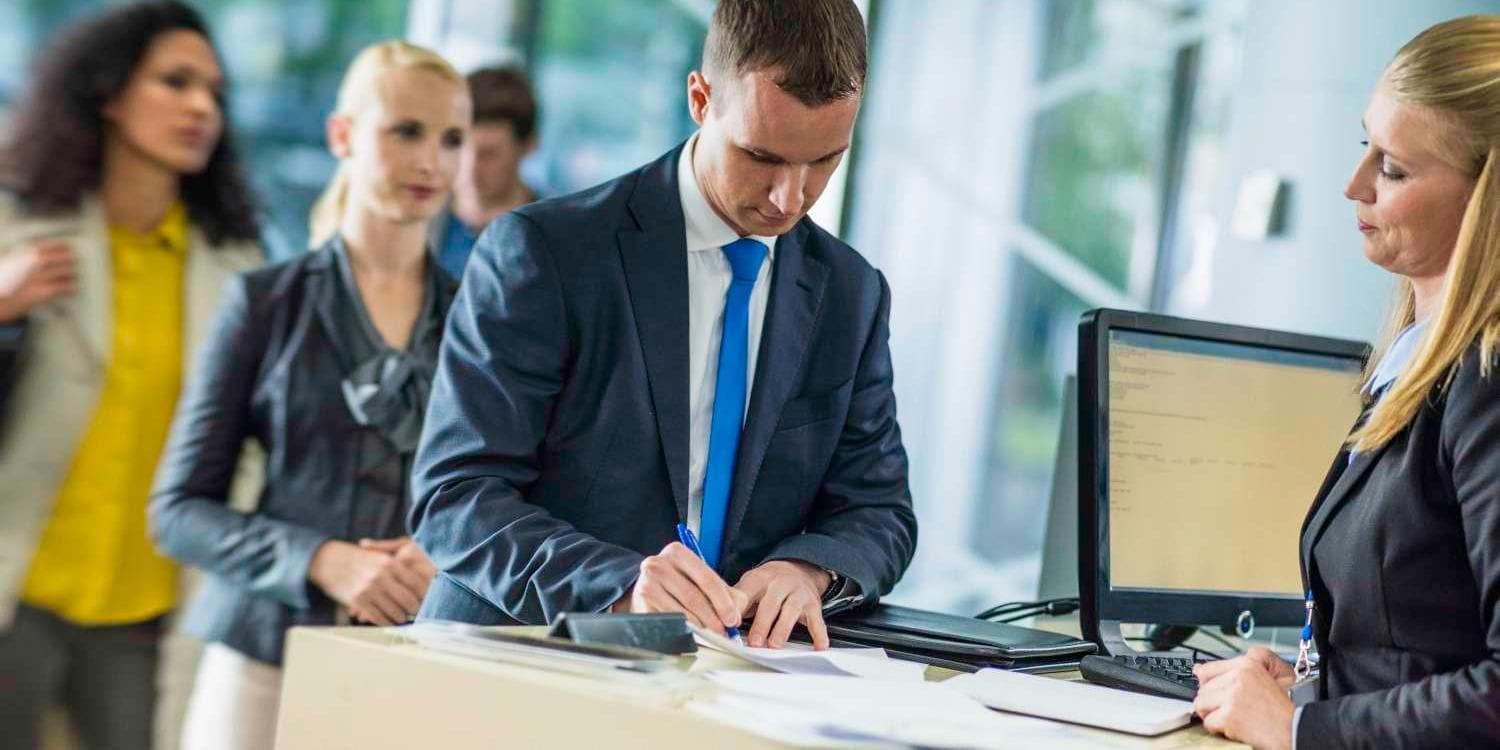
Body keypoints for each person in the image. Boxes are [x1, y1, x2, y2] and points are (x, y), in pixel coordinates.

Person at [410, 0, 916, 651]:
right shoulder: (547, 252)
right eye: (762, 156)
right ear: (700, 98)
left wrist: (809, 569)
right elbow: (455, 497)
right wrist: (619, 583)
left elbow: (879, 512)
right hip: (517, 660)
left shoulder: (851, 293)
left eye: (823, 161)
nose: (789, 197)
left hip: (721, 685)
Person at [1191, 15, 1500, 750]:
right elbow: (1419, 637)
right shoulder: (1418, 364)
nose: (1354, 184)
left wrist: (1304, 728)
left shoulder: (1486, 383)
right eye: (1366, 146)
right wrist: (1312, 684)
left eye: (1392, 168)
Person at [149, 40, 467, 750]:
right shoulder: (264, 303)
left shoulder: (484, 320)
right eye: (406, 131)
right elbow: (177, 512)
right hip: (263, 654)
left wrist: (447, 551)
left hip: (416, 659)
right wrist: (324, 559)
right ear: (342, 136)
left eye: (452, 139)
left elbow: (512, 493)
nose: (432, 163)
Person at [0, 3, 264, 747]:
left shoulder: (234, 269)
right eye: (174, 82)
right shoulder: (16, 228)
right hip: (18, 587)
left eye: (213, 92)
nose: (199, 107)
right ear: (108, 94)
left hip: (148, 613)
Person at [426, 66, 539, 279]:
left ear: (528, 146)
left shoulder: (553, 238)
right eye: (458, 145)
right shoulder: (417, 221)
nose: (469, 168)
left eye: (489, 154)